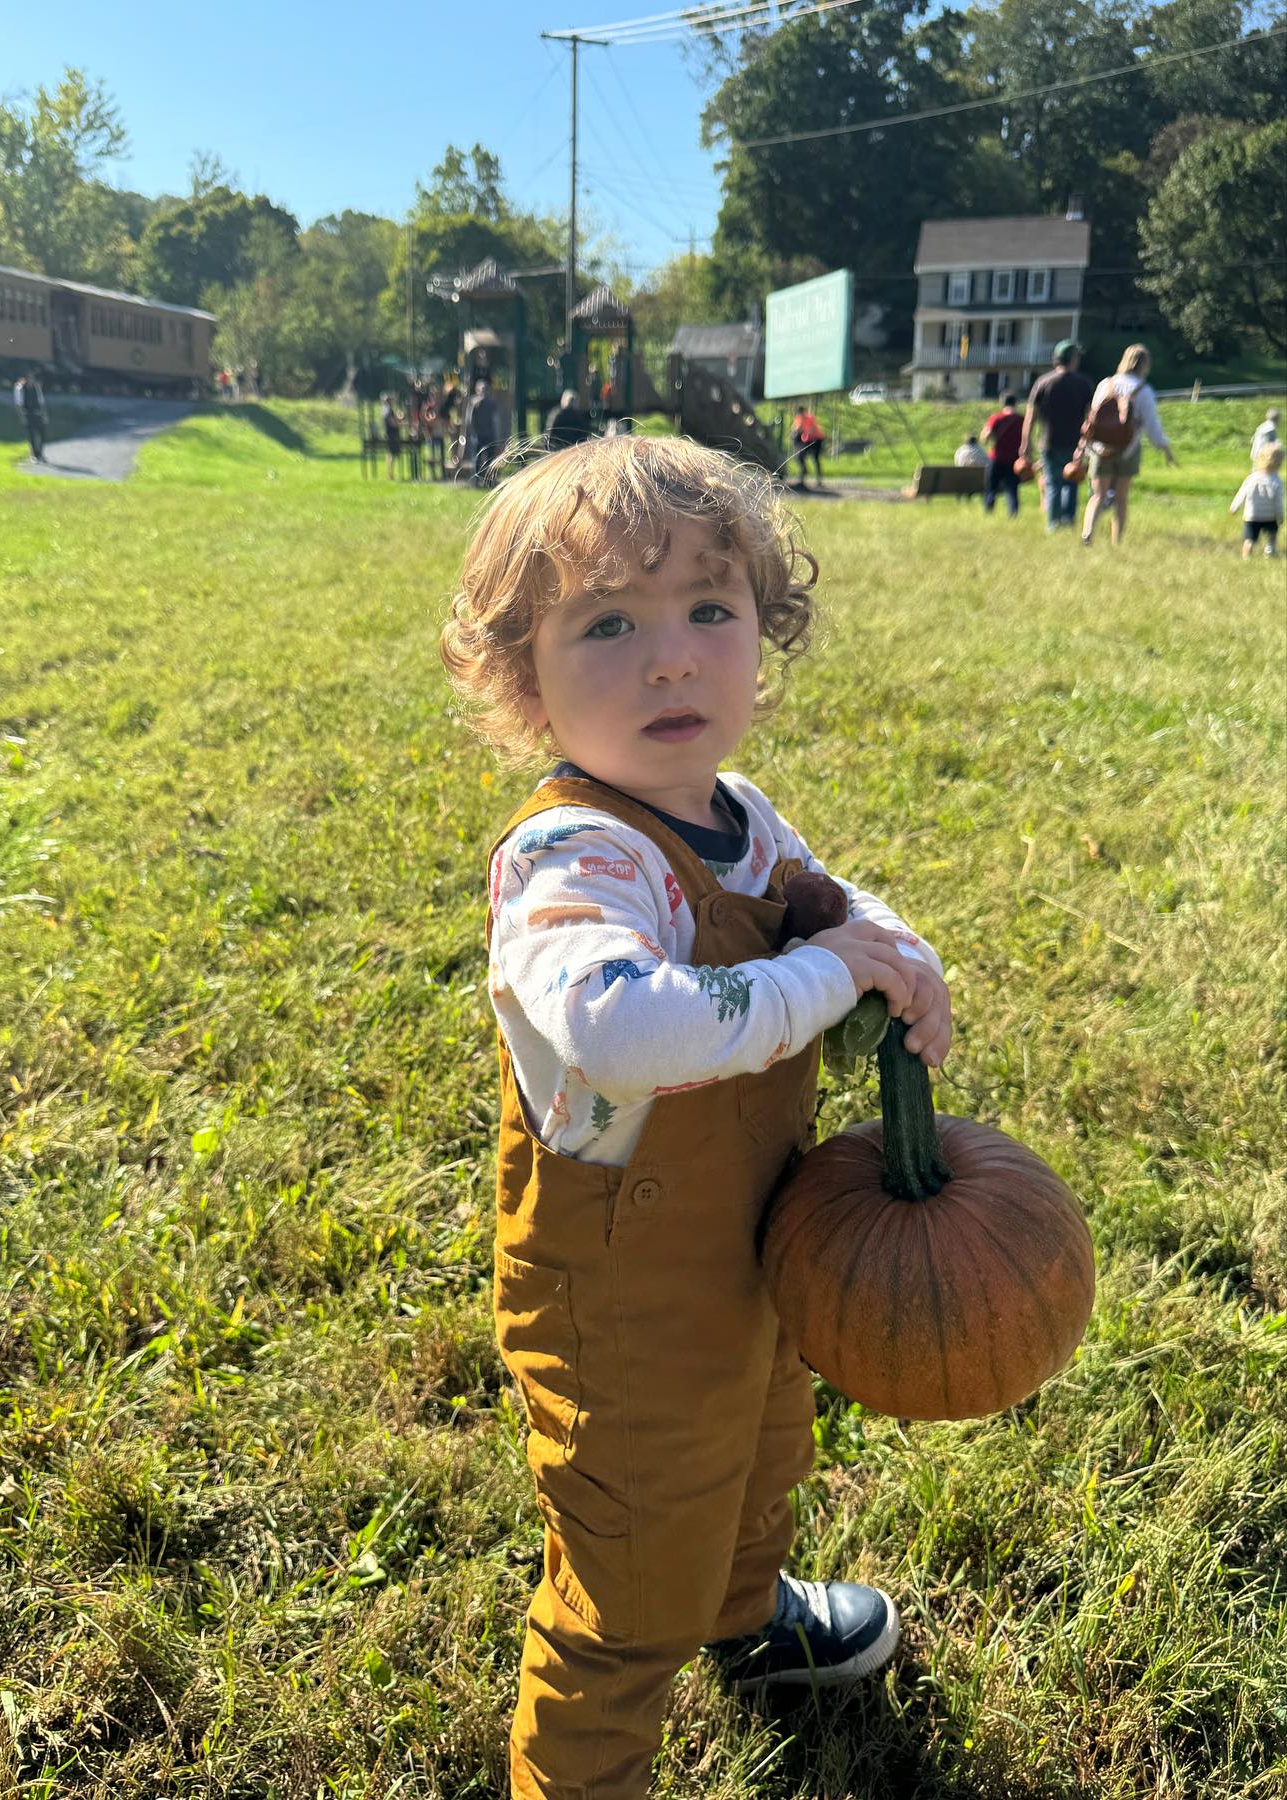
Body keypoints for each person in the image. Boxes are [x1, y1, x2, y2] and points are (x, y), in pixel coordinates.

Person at [440, 434, 952, 1798]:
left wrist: (891, 949)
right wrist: (824, 976)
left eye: (709, 609)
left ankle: (745, 1614)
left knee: (761, 1448)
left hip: (753, 1244)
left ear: (762, 632)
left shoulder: (739, 813)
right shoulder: (575, 858)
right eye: (609, 623)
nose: (671, 660)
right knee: (627, 1581)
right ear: (524, 681)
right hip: (624, 1304)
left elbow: (826, 898)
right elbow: (624, 1027)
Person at [1080, 344, 1176, 547]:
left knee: (1098, 495)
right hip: (1128, 448)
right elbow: (1152, 426)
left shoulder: (1106, 384)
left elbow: (1094, 417)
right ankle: (1117, 541)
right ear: (1145, 365)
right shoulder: (1143, 390)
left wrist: (1087, 447)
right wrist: (1165, 449)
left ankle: (1088, 533)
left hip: (1101, 448)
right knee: (1121, 497)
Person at [1020, 341, 1093, 533]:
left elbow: (1030, 416)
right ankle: (1068, 520)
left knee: (1052, 483)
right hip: (1075, 444)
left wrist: (1025, 443)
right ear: (1073, 359)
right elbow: (1090, 417)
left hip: (1048, 442)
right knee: (1072, 481)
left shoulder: (1043, 382)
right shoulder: (1083, 383)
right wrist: (1088, 442)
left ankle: (1053, 524)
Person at [1229, 442, 1283, 559]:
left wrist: (1234, 508)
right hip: (1270, 516)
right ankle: (1269, 552)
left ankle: (1246, 557)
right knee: (1272, 535)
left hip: (1252, 516)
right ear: (1279, 463)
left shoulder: (1252, 478)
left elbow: (1241, 494)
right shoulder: (1276, 481)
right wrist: (1280, 516)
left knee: (1249, 539)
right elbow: (1278, 502)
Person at [980, 391, 1024, 516]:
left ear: (1002, 403)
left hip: (997, 458)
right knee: (1012, 489)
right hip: (1014, 459)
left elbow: (985, 436)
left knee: (991, 487)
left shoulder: (996, 418)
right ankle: (1013, 512)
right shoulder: (1021, 419)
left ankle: (988, 511)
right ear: (1015, 403)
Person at [466, 378, 500, 485]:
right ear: (477, 390)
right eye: (482, 389)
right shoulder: (473, 402)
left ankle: (489, 480)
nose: (483, 391)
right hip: (477, 435)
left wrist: (496, 435)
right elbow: (469, 419)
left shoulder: (491, 403)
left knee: (490, 459)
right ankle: (476, 481)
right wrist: (472, 432)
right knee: (476, 459)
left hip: (489, 435)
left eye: (485, 389)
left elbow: (496, 420)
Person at [13, 369, 49, 462]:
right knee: (32, 435)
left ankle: (40, 453)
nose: (31, 380)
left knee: (42, 434)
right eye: (29, 378)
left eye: (32, 378)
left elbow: (41, 402)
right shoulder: (20, 388)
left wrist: (44, 415)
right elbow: (18, 404)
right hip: (28, 414)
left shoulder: (37, 387)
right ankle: (34, 455)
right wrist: (22, 417)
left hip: (38, 413)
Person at [790, 403, 825, 489]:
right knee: (808, 457)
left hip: (815, 439)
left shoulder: (805, 418)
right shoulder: (802, 417)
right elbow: (796, 429)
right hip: (810, 439)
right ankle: (806, 475)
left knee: (811, 457)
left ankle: (810, 476)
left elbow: (800, 429)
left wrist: (797, 436)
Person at [379, 392, 403, 480]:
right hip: (392, 435)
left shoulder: (386, 410)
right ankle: (390, 474)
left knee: (391, 455)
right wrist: (401, 423)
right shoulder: (388, 411)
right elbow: (393, 423)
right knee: (392, 455)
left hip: (390, 435)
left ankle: (390, 473)